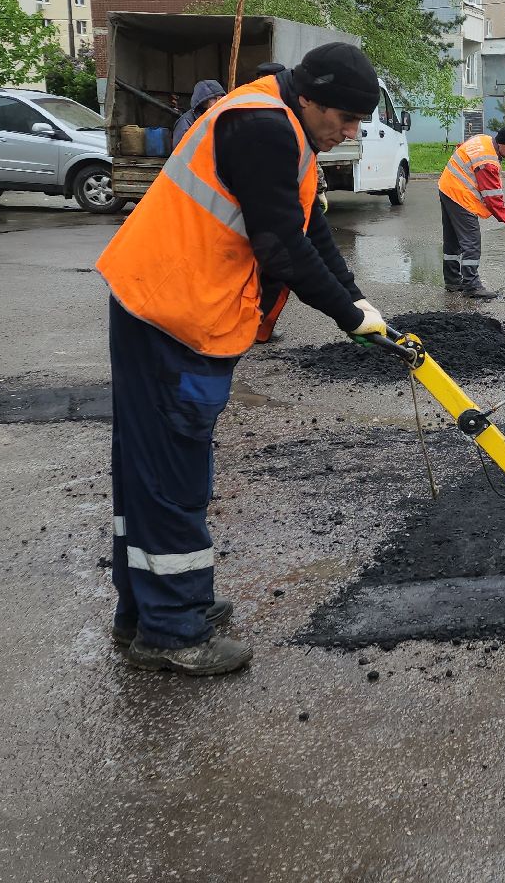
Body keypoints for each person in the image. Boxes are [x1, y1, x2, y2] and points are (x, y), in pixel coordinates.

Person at [94, 43, 388, 675]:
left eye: (359, 123)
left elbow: (309, 232)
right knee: (172, 474)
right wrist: (343, 312)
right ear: (310, 98)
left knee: (151, 469)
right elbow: (281, 248)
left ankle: (145, 612)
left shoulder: (287, 127)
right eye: (345, 119)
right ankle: (172, 631)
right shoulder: (259, 128)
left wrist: (357, 302)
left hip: (171, 304)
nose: (351, 132)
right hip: (172, 313)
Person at [438, 126, 505, 299]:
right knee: (472, 241)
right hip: (460, 195)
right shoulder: (488, 162)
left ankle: (453, 281)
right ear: (500, 144)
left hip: (447, 187)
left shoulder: (483, 139)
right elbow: (493, 198)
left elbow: (462, 146)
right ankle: (472, 285)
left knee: (453, 240)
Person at [170, 79, 225, 150]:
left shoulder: (219, 118)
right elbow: (180, 153)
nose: (220, 102)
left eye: (222, 99)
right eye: (217, 99)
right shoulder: (186, 122)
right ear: (205, 100)